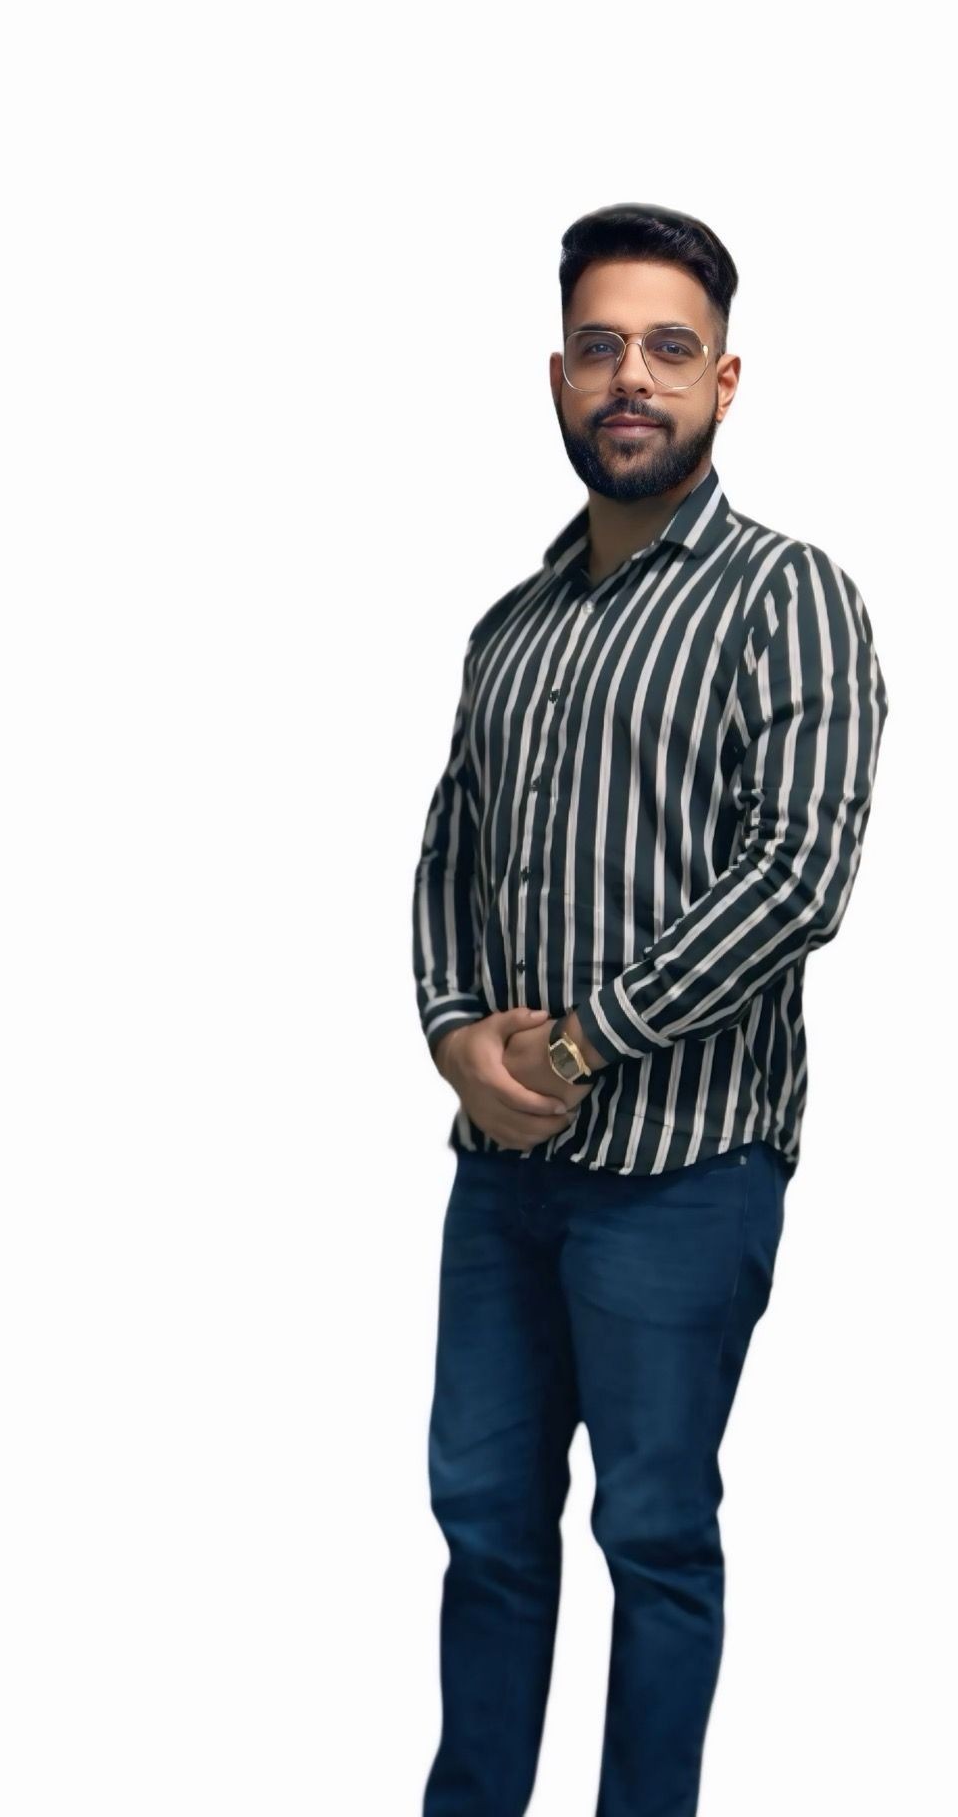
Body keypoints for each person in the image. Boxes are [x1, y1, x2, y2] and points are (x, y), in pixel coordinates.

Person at [410, 202, 890, 1816]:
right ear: (558, 374)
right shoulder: (513, 629)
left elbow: (800, 871)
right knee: (481, 1521)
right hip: (501, 1176)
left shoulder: (788, 597)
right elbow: (448, 852)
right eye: (602, 346)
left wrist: (582, 1038)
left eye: (669, 349)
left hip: (685, 1179)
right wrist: (457, 1032)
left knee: (655, 1538)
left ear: (727, 380)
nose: (633, 377)